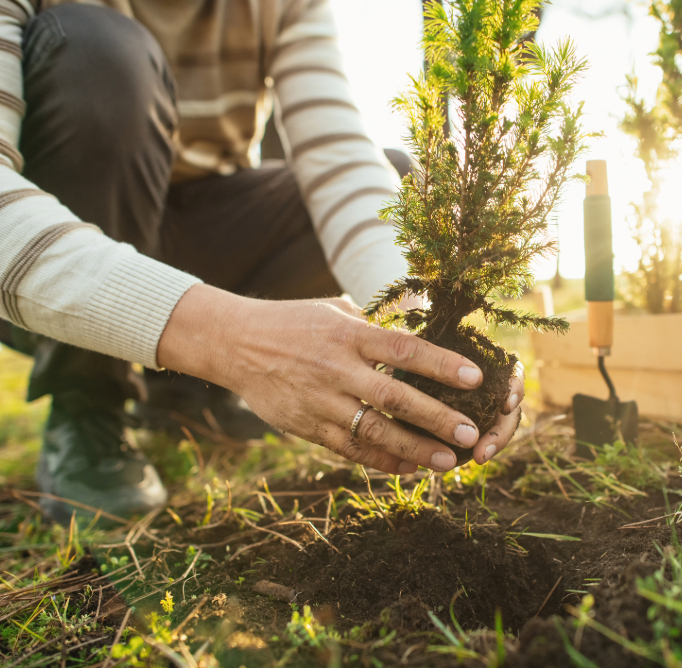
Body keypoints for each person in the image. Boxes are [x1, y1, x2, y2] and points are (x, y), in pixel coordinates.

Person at [0, 0, 525, 524]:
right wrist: (234, 342)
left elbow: (341, 163)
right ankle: (89, 396)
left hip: (204, 224)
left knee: (390, 175)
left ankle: (182, 391)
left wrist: (417, 335)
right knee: (98, 54)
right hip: (61, 225)